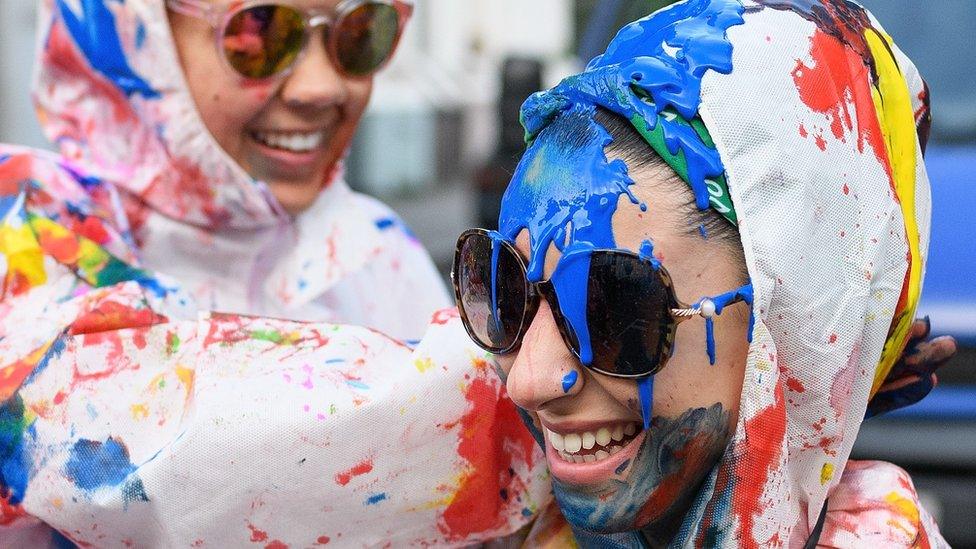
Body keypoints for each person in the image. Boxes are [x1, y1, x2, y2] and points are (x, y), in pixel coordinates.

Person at [0, 0, 548, 546]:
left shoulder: (369, 242)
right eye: (260, 35)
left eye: (360, 32)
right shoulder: (23, 231)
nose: (322, 87)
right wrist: (549, 410)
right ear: (134, 35)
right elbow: (127, 457)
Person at [452, 0, 957, 546]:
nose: (528, 382)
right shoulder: (479, 500)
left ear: (786, 318)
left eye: (614, 310)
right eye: (504, 292)